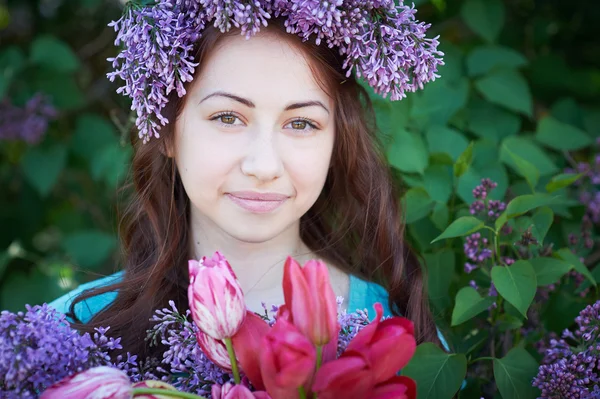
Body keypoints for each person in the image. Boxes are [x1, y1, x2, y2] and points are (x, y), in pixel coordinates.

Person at [49, 1, 446, 361]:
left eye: (301, 123)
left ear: (335, 142)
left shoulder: (399, 340)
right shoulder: (68, 332)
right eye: (227, 117)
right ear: (168, 132)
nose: (263, 165)